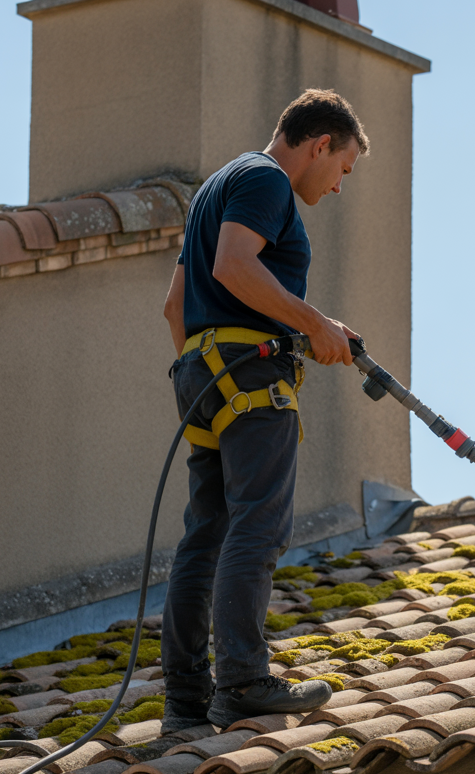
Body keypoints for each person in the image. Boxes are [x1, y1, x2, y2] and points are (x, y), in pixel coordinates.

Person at [159, 89, 368, 732]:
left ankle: (186, 701)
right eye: (344, 169)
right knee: (259, 523)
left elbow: (176, 307)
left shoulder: (214, 192)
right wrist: (313, 321)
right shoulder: (266, 180)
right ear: (320, 145)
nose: (338, 187)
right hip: (248, 377)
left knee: (207, 533)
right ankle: (245, 681)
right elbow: (234, 266)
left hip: (201, 371)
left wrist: (228, 355)